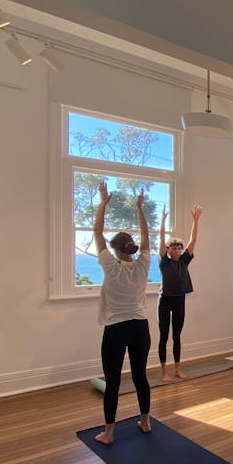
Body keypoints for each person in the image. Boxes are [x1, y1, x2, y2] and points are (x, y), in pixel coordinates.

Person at [93, 181, 152, 445]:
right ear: (131, 247)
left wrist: (104, 202)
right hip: (140, 327)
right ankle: (146, 421)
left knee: (113, 382)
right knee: (140, 376)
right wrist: (140, 207)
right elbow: (146, 233)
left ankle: (108, 433)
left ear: (115, 249)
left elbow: (97, 230)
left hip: (116, 329)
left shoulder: (110, 266)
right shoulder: (142, 265)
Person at [157, 204, 202, 382]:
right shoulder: (164, 262)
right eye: (173, 248)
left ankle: (177, 369)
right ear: (168, 250)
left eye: (178, 248)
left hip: (179, 300)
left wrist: (195, 220)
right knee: (163, 336)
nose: (176, 250)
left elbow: (193, 240)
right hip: (165, 300)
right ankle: (163, 372)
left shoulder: (184, 261)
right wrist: (162, 221)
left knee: (177, 336)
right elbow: (161, 239)